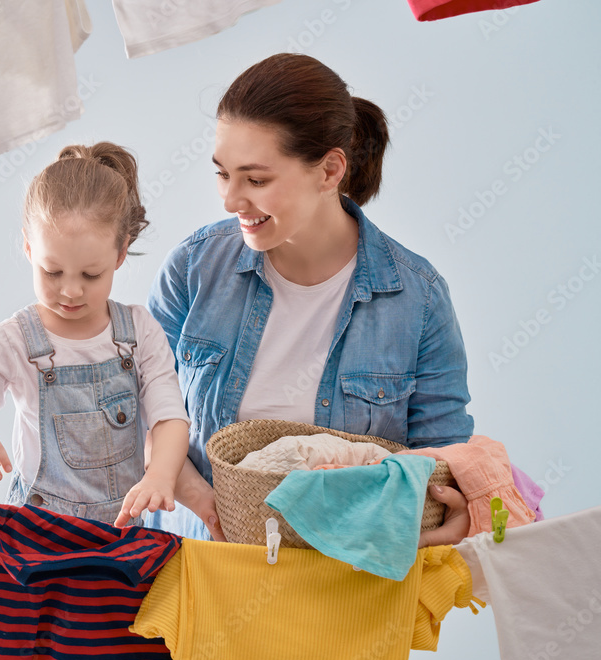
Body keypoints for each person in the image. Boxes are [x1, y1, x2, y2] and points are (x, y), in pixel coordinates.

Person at [146, 53, 474, 545]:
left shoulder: (417, 300)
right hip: (196, 569)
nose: (231, 199)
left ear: (329, 171)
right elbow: (138, 406)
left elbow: (442, 461)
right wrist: (208, 504)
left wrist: (448, 519)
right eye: (222, 173)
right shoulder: (194, 269)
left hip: (344, 589)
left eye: (256, 180)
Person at [0, 142, 190, 528]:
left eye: (91, 275)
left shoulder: (139, 332)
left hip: (119, 536)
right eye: (52, 272)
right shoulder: (15, 339)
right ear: (27, 245)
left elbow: (169, 417)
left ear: (121, 253)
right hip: (36, 537)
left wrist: (160, 475)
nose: (71, 291)